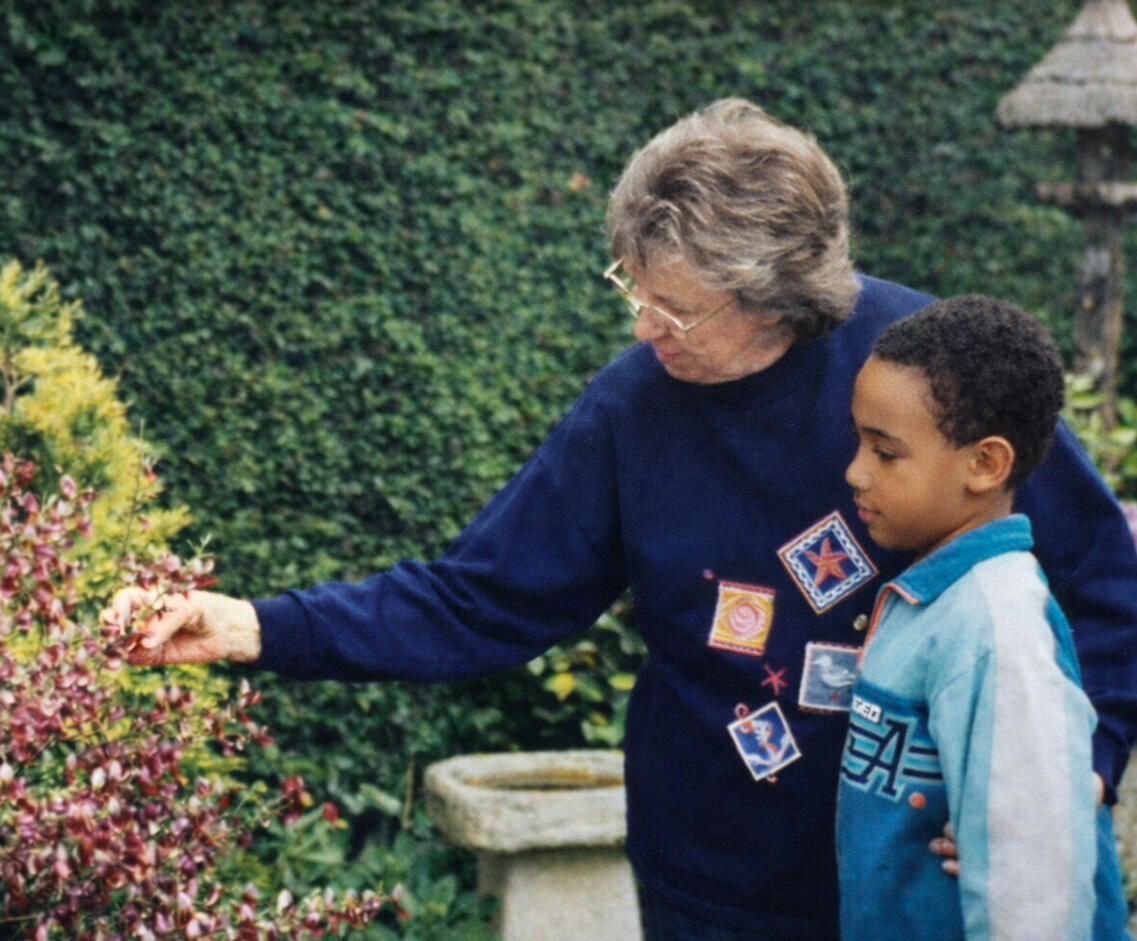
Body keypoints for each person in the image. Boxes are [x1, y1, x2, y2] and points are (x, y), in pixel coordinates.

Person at [118, 99, 1137, 940]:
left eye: (674, 308)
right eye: (633, 289)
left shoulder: (931, 376)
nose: (643, 326)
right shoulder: (632, 408)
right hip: (710, 881)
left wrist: (1076, 775)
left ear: (774, 299)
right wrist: (257, 624)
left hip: (909, 885)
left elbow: (1103, 586)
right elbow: (484, 597)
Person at [839, 295, 1129, 941]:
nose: (854, 472)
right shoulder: (934, 598)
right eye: (857, 441)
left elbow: (1036, 891)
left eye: (884, 453)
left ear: (984, 464)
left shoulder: (996, 628)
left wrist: (1020, 850)